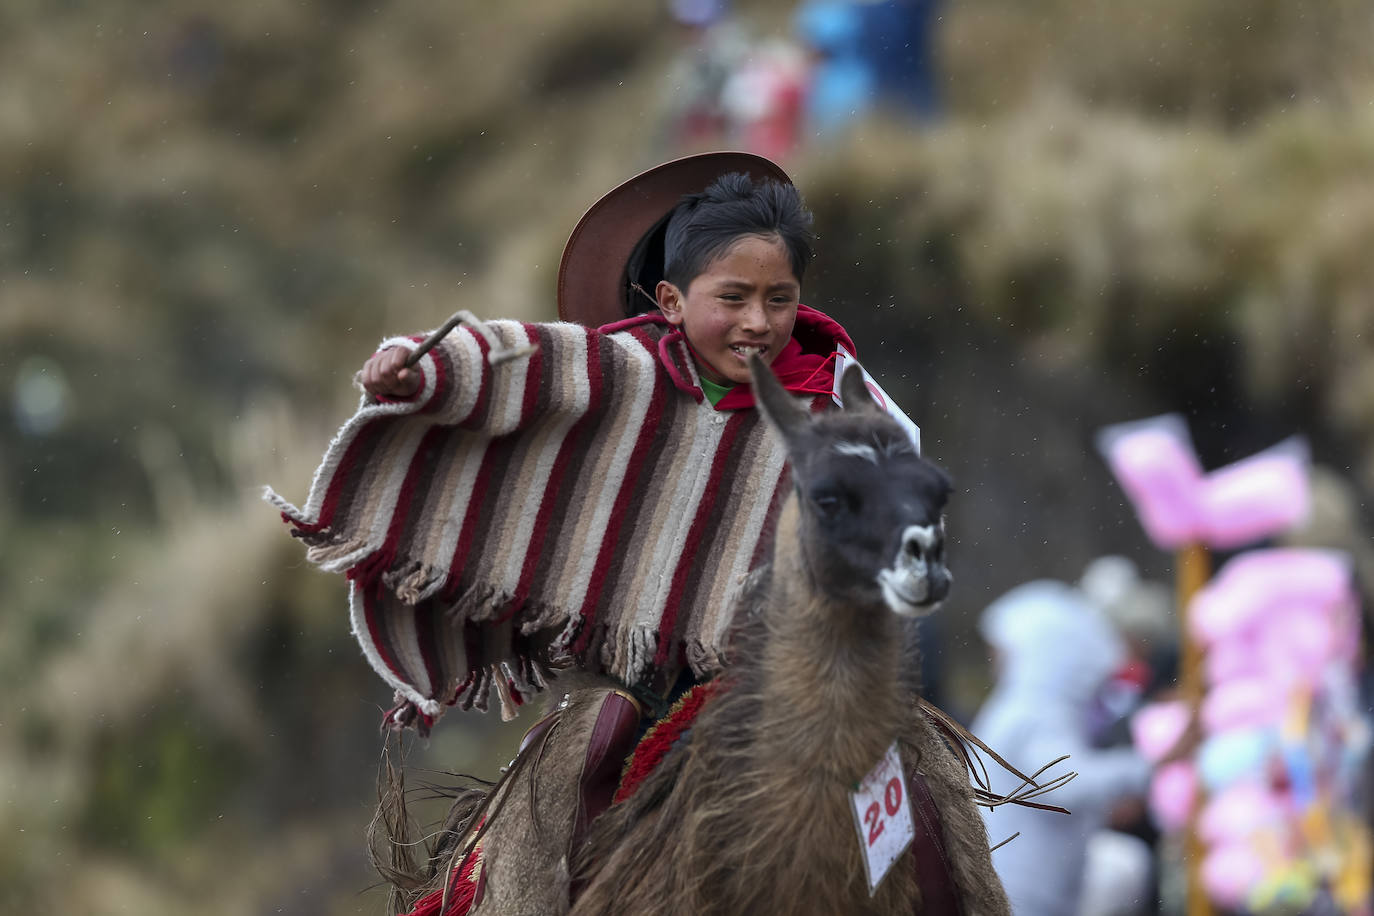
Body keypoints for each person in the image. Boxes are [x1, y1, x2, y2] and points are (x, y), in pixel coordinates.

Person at [271, 151, 914, 912]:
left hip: (793, 682)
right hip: (632, 674)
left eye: (780, 299)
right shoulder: (623, 370)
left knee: (908, 830)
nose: (757, 322)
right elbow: (513, 361)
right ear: (672, 300)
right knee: (581, 772)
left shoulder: (843, 409)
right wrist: (423, 370)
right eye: (732, 296)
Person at [970, 579, 1158, 916]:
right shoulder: (1032, 712)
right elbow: (1066, 784)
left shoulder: (1034, 709)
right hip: (1019, 895)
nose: (995, 661)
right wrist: (1148, 767)